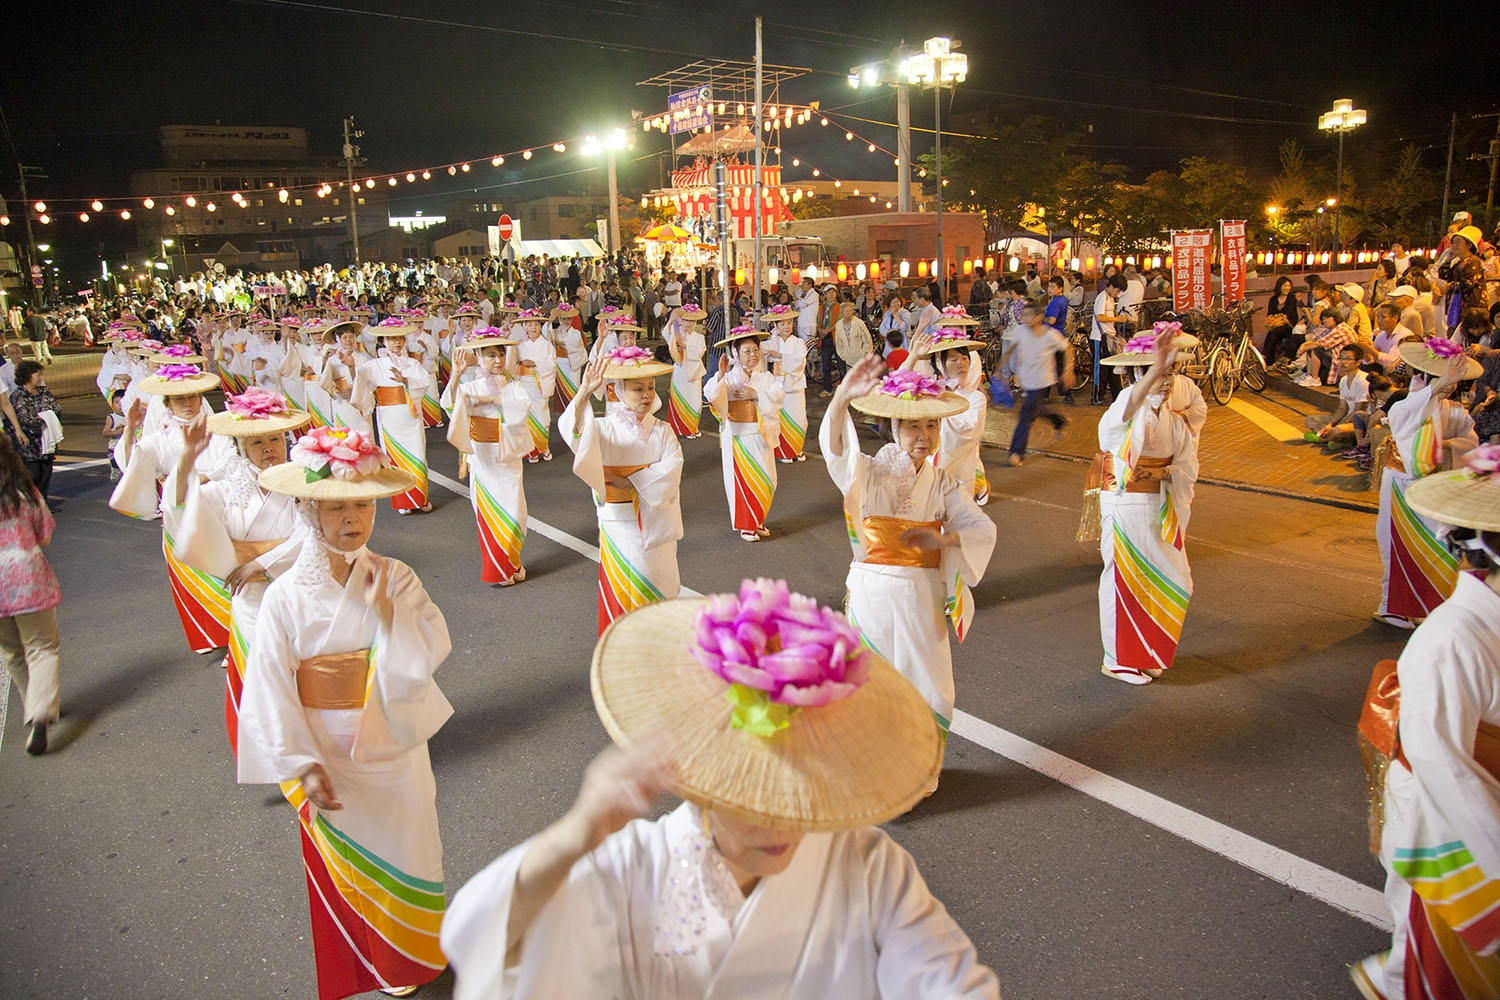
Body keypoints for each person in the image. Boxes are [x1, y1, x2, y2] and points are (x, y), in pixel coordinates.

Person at [441, 580, 1001, 999]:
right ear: (704, 782)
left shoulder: (869, 866)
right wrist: (576, 831)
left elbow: (947, 982)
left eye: (798, 796)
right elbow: (487, 938)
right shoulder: (637, 866)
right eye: (754, 800)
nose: (784, 825)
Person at [238, 432, 453, 1000]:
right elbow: (268, 684)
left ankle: (410, 957)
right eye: (336, 505)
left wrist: (388, 615)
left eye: (362, 503)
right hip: (327, 750)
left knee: (412, 848)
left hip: (393, 744)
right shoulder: (285, 597)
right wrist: (298, 761)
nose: (352, 517)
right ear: (310, 512)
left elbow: (432, 647)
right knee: (351, 867)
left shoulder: (395, 576)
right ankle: (368, 963)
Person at [1349, 445, 1500, 999]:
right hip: (1452, 811)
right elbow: (1443, 765)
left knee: (1435, 951)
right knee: (1443, 953)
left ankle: (1391, 981)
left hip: (1474, 791)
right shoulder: (1450, 638)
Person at [822, 356, 997, 728]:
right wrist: (841, 399)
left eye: (932, 425)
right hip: (873, 594)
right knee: (872, 684)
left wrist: (945, 539)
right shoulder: (866, 472)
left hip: (922, 595)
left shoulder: (942, 481)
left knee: (931, 689)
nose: (924, 435)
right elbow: (836, 450)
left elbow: (978, 526)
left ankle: (919, 766)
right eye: (913, 426)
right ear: (895, 428)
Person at [162, 391, 310, 756]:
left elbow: (313, 537)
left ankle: (308, 752)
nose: (269, 448)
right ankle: (271, 756)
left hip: (298, 595)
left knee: (305, 678)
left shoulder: (303, 481)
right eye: (256, 442)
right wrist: (186, 459)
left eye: (274, 438)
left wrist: (257, 559)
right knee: (262, 679)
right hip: (252, 600)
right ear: (241, 447)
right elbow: (180, 507)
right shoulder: (228, 489)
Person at [1095, 328, 1202, 684]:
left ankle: (1146, 651)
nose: (1168, 380)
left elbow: (1187, 464)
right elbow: (1122, 421)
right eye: (1158, 372)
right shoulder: (1124, 404)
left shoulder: (1173, 418)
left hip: (1160, 504)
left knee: (1174, 579)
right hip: (1126, 503)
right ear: (1138, 375)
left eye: (1171, 372)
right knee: (1125, 580)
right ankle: (1119, 658)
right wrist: (1155, 371)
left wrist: (1168, 472)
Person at [109, 365, 236, 652]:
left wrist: (202, 478)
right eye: (180, 400)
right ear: (166, 403)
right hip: (178, 511)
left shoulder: (217, 429)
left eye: (192, 397)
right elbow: (134, 465)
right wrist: (130, 431)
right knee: (192, 574)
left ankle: (234, 638)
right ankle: (209, 634)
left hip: (215, 504)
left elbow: (230, 461)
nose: (189, 404)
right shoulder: (160, 438)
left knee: (224, 569)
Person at [559, 349, 683, 632]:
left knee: (661, 581)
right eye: (638, 389)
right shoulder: (602, 429)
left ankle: (656, 645)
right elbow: (572, 432)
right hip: (619, 523)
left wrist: (631, 481)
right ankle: (623, 646)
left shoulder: (663, 430)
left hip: (656, 520)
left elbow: (673, 468)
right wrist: (583, 394)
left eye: (651, 388)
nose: (646, 395)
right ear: (617, 391)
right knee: (627, 586)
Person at [1373, 345, 1481, 629]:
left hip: (1433, 481)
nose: (1448, 387)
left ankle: (1424, 605)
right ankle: (1392, 607)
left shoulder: (1453, 410)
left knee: (1440, 545)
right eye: (1440, 381)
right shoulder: (1404, 404)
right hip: (1400, 483)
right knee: (1395, 544)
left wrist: (1444, 446)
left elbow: (1470, 440)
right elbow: (1406, 415)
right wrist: (1442, 382)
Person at [443, 333, 533, 586]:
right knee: (491, 512)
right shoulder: (469, 386)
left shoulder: (513, 385)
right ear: (480, 358)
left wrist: (493, 401)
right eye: (491, 355)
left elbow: (523, 408)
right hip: (483, 458)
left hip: (507, 456)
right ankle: (499, 570)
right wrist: (457, 374)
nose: (497, 360)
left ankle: (513, 561)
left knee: (517, 514)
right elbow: (450, 404)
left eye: (501, 354)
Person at [0, 433, 60, 756]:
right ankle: (41, 711)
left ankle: (33, 706)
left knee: (12, 653)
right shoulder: (24, 493)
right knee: (42, 648)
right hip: (27, 579)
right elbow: (45, 536)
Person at [704, 325, 785, 542]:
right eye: (746, 351)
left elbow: (778, 396)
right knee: (744, 481)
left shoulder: (765, 376)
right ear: (736, 354)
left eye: (755, 350)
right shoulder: (730, 377)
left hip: (761, 433)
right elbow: (712, 395)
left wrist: (755, 393)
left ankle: (757, 520)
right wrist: (720, 373)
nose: (752, 355)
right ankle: (747, 525)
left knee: (768, 479)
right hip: (739, 436)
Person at [353, 320, 433, 514]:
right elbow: (361, 379)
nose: (396, 342)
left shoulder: (413, 363)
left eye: (399, 338)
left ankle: (420, 498)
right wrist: (349, 363)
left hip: (411, 415)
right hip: (389, 416)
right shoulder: (375, 365)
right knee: (395, 458)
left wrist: (405, 380)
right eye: (391, 339)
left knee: (418, 456)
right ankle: (402, 501)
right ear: (384, 341)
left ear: (404, 340)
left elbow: (424, 382)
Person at [1001, 303, 1074, 466]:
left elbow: (1069, 348)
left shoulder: (1050, 335)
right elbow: (1011, 350)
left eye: (1028, 315)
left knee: (1025, 415)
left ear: (1039, 317)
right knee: (1035, 409)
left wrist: (1068, 371)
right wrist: (1004, 370)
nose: (1025, 319)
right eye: (1023, 315)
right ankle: (1058, 420)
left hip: (1043, 381)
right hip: (1026, 379)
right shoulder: (1020, 331)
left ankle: (1016, 452)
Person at [8, 361, 62, 509]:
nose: (40, 377)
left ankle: (43, 504)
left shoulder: (44, 392)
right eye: (37, 374)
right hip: (28, 442)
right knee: (33, 473)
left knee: (46, 472)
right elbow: (26, 419)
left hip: (45, 439)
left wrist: (44, 416)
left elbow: (56, 409)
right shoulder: (18, 396)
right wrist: (45, 416)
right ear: (27, 376)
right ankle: (31, 505)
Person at [664, 303, 707, 439]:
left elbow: (700, 352)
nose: (689, 324)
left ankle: (692, 427)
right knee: (679, 399)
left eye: (692, 321)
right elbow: (666, 334)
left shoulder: (699, 337)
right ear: (682, 320)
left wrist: (684, 347)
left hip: (694, 373)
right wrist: (671, 320)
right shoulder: (677, 333)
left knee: (695, 401)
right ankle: (678, 427)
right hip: (680, 370)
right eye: (686, 320)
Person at [1090, 274, 1129, 404]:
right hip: (1099, 338)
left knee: (1112, 369)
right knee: (1101, 371)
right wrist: (1117, 319)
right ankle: (1096, 397)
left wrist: (1118, 319)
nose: (1117, 293)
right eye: (1117, 290)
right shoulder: (1102, 298)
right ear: (1111, 286)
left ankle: (1116, 396)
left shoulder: (1110, 299)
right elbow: (1099, 317)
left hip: (1109, 337)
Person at [1262, 276, 1303, 367]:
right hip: (1276, 325)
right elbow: (1270, 314)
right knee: (1273, 335)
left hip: (1289, 325)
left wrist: (1280, 318)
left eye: (1289, 286)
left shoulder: (1292, 298)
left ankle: (1265, 357)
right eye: (1285, 286)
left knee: (1272, 334)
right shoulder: (1273, 299)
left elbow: (1289, 314)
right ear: (1279, 286)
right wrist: (1274, 319)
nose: (1287, 288)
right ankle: (1270, 362)